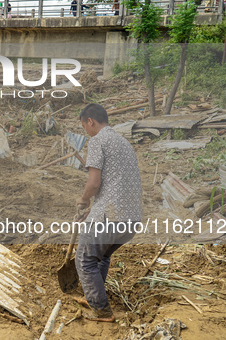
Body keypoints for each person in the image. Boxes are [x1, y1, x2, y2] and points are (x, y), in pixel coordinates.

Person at [74, 104, 142, 322]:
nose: (86, 131)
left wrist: (83, 200)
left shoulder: (97, 141)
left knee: (85, 259)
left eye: (85, 126)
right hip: (131, 218)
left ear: (90, 121)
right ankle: (94, 296)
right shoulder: (123, 143)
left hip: (111, 217)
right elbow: (116, 185)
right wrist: (94, 210)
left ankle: (102, 311)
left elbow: (94, 183)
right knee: (101, 257)